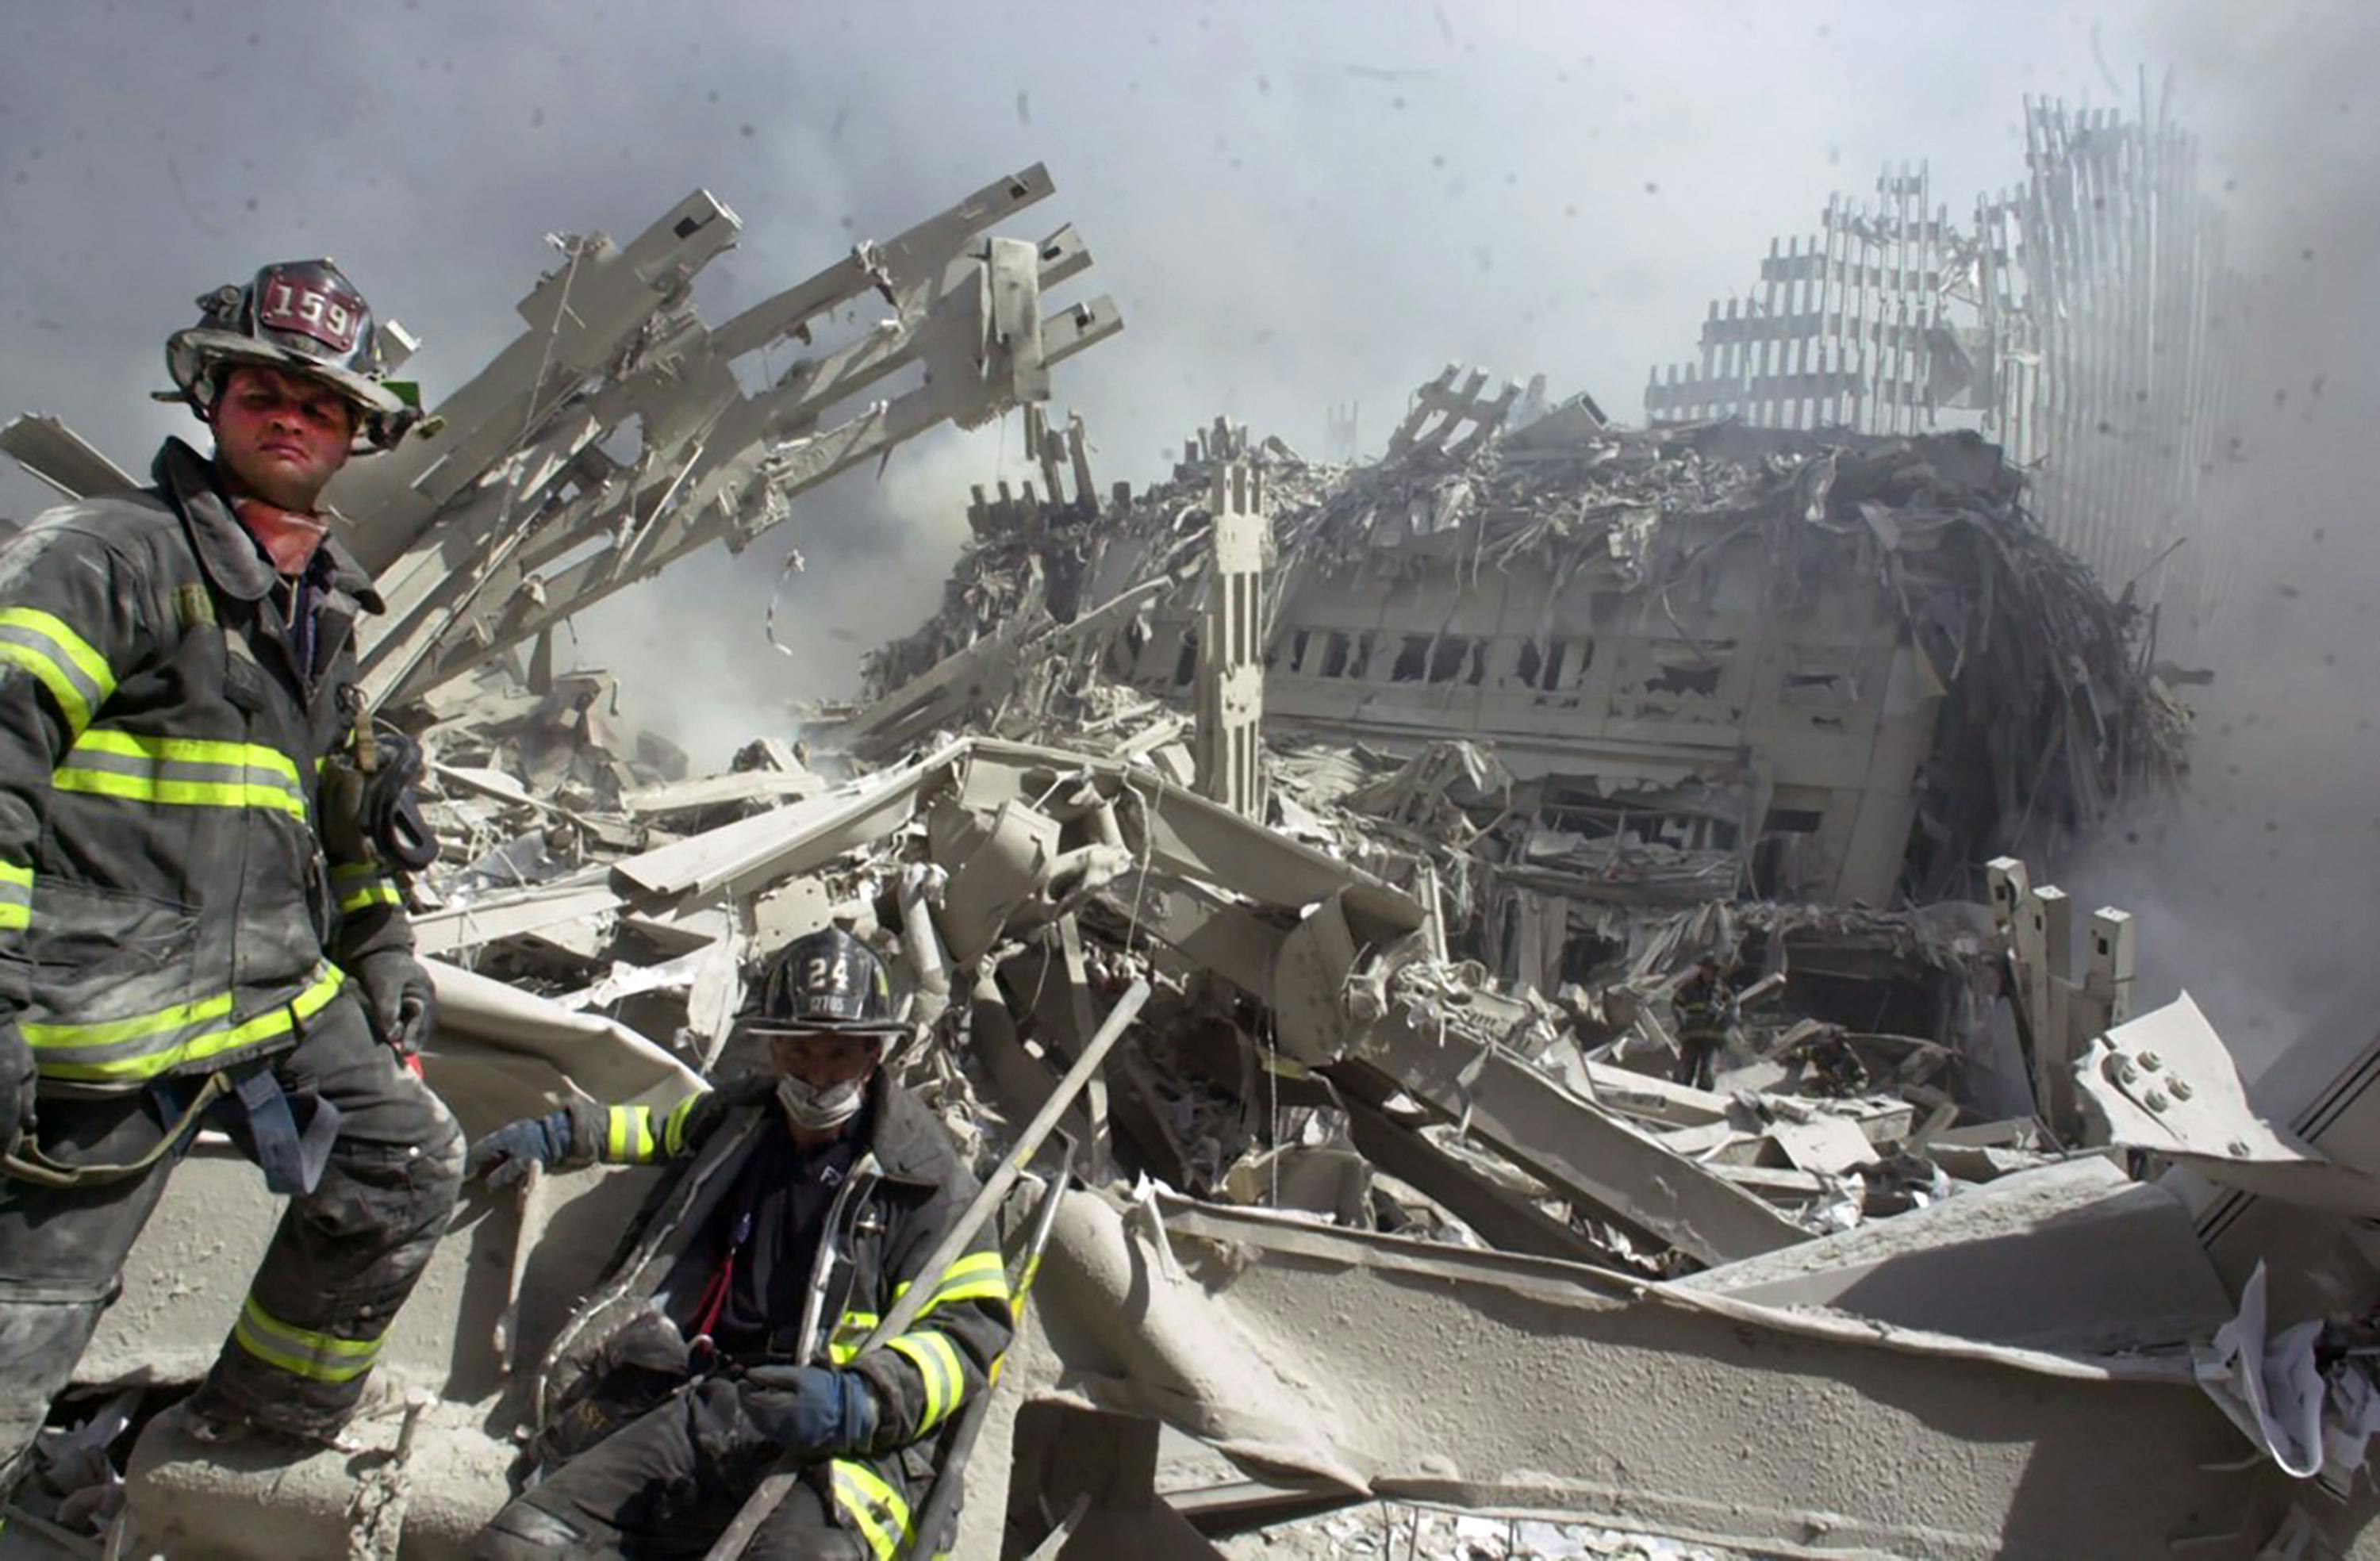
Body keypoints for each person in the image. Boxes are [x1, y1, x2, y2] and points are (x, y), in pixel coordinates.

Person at [0, 261, 461, 1479]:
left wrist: (385, 948)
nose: (292, 414)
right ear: (211, 394)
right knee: (22, 1331)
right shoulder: (108, 557)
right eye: (266, 385)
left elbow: (332, 823)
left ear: (358, 431)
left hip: (263, 999)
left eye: (322, 400)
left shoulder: (315, 609)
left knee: (403, 1163)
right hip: (100, 1015)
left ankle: (228, 1455)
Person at [468, 928, 1012, 1561]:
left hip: (837, 1455)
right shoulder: (744, 1119)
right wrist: (563, 1133)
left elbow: (969, 1334)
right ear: (773, 1048)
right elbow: (659, 1130)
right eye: (799, 1052)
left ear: (873, 1054)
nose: (815, 1075)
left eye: (837, 1054)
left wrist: (857, 1401)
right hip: (714, 1402)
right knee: (520, 1545)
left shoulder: (924, 1178)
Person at [1671, 954, 1737, 1091]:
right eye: (1710, 969)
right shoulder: (1689, 988)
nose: (1712, 973)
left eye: (1715, 970)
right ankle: (1680, 1095)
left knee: (1708, 1071)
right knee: (1685, 1069)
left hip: (1713, 1037)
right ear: (1703, 969)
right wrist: (1682, 1021)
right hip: (1692, 1035)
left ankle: (1702, 1097)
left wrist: (1725, 1021)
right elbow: (1676, 1003)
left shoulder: (1722, 990)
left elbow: (1733, 1007)